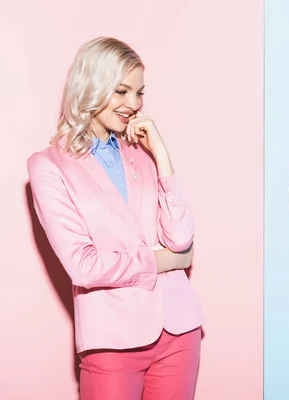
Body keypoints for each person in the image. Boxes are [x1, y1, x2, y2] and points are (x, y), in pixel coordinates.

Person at [27, 37, 204, 400]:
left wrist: (162, 154)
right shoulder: (48, 166)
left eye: (139, 93)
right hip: (112, 339)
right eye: (121, 91)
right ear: (90, 86)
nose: (133, 104)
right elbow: (84, 266)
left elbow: (181, 237)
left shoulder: (141, 152)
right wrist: (163, 260)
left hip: (180, 332)